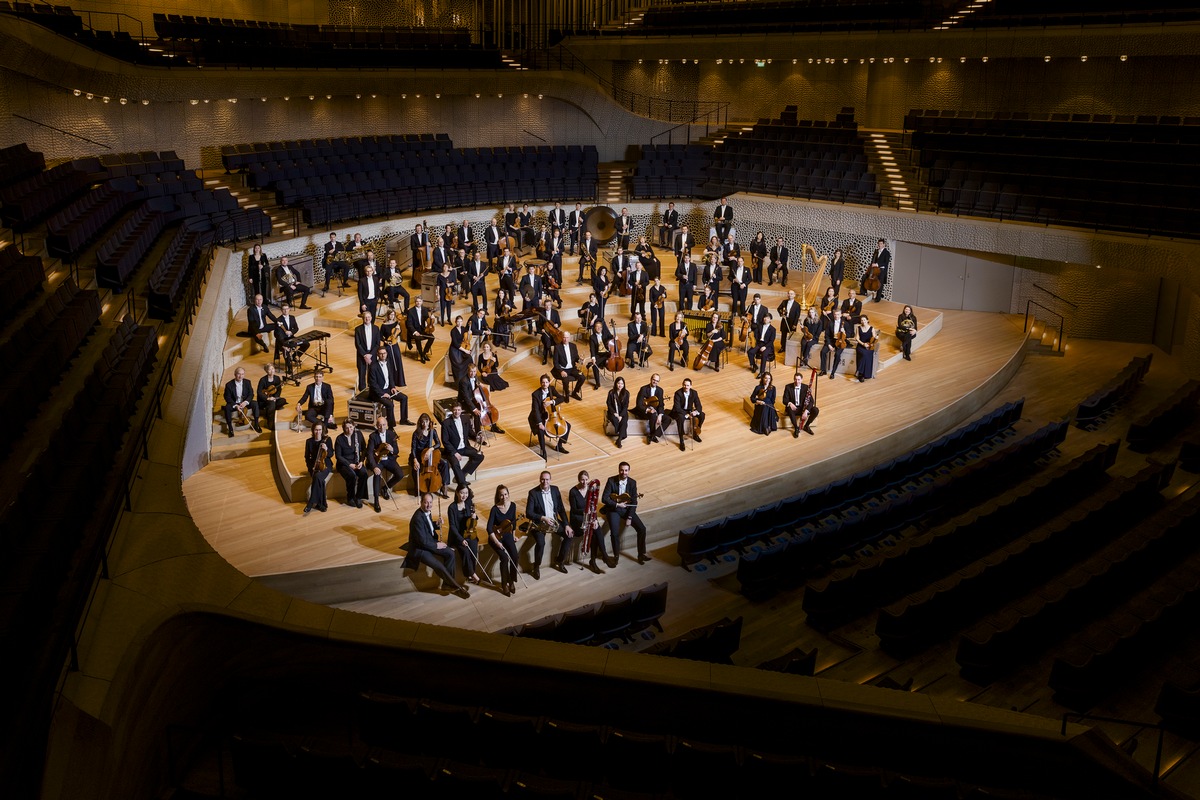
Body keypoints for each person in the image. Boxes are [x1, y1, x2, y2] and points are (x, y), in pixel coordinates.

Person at [408, 492, 469, 598]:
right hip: (420, 548)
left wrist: (436, 524)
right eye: (426, 502)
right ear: (421, 502)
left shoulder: (427, 512)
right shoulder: (417, 518)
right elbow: (422, 541)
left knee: (450, 553)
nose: (428, 505)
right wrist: (437, 545)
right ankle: (456, 587)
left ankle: (447, 585)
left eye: (430, 502)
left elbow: (427, 525)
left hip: (429, 542)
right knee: (439, 566)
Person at [525, 470, 573, 580]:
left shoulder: (555, 490)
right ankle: (536, 566)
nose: (544, 481)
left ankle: (560, 561)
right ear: (539, 479)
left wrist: (566, 524)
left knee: (569, 535)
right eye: (542, 479)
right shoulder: (533, 493)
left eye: (547, 479)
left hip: (553, 521)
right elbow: (529, 513)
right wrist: (543, 518)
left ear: (550, 480)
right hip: (539, 523)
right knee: (541, 543)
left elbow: (561, 509)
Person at [602, 461, 648, 566]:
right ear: (619, 470)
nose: (624, 472)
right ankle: (616, 557)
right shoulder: (611, 480)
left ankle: (641, 554)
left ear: (629, 471)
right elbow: (604, 498)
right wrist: (617, 505)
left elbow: (634, 502)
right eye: (622, 470)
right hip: (614, 509)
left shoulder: (632, 482)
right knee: (614, 533)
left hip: (627, 510)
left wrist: (630, 517)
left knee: (642, 529)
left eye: (626, 470)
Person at [441, 400, 484, 489]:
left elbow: (469, 432)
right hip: (453, 450)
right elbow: (445, 441)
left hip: (464, 447)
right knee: (455, 463)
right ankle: (462, 484)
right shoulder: (446, 423)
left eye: (458, 410)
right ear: (452, 411)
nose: (457, 412)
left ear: (461, 410)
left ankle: (462, 474)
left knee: (479, 456)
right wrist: (454, 453)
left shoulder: (466, 418)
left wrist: (477, 437)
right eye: (455, 410)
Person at [570, 470, 606, 573]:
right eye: (582, 480)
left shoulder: (591, 489)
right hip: (578, 519)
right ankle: (596, 560)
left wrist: (594, 519)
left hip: (589, 518)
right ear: (578, 479)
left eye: (586, 480)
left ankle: (600, 557)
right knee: (594, 533)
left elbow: (594, 506)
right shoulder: (573, 491)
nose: (584, 482)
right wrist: (585, 511)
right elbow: (574, 510)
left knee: (597, 529)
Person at [487, 485, 520, 596]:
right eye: (501, 494)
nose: (504, 497)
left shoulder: (513, 506)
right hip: (495, 537)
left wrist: (514, 535)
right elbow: (489, 528)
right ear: (498, 496)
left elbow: (513, 523)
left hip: (507, 535)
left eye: (505, 494)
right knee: (504, 558)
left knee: (515, 556)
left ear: (508, 494)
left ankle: (511, 581)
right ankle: (504, 584)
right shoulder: (495, 509)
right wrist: (497, 542)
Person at [410, 412, 451, 500]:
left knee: (445, 463)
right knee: (415, 468)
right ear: (420, 422)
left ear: (429, 421)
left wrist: (430, 449)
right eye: (422, 422)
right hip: (418, 456)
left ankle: (444, 486)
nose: (425, 424)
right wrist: (415, 460)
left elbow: (438, 444)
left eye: (426, 421)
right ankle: (417, 488)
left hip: (430, 455)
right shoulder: (416, 433)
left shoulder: (432, 431)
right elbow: (413, 448)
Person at [530, 374, 572, 459]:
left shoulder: (551, 389)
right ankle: (543, 452)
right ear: (540, 383)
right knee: (541, 430)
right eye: (543, 382)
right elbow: (535, 410)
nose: (545, 384)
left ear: (549, 383)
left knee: (568, 425)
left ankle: (559, 446)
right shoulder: (535, 394)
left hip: (551, 415)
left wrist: (552, 402)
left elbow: (561, 398)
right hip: (539, 416)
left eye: (546, 382)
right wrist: (539, 423)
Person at [366, 417, 404, 513]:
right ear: (376, 425)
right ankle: (376, 501)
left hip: (389, 459)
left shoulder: (391, 435)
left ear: (386, 425)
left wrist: (391, 449)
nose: (381, 427)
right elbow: (369, 453)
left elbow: (396, 451)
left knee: (400, 474)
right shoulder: (373, 436)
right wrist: (374, 466)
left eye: (383, 425)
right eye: (379, 425)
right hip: (378, 461)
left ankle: (385, 488)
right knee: (377, 475)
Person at [446, 484, 482, 585]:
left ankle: (470, 575)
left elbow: (474, 520)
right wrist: (461, 539)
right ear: (457, 493)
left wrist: (475, 516)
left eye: (466, 493)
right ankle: (473, 575)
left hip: (469, 533)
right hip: (458, 536)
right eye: (462, 493)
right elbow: (452, 527)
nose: (464, 495)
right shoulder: (452, 508)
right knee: (465, 552)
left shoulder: (469, 503)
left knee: (474, 548)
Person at [369, 346, 412, 429]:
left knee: (404, 398)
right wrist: (382, 394)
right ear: (377, 355)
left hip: (388, 389)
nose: (383, 355)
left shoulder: (388, 363)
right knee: (390, 404)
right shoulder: (373, 367)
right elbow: (373, 384)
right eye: (381, 354)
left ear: (386, 354)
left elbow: (390, 377)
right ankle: (391, 427)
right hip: (377, 393)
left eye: (384, 353)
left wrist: (393, 387)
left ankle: (404, 419)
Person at [459, 362, 505, 435]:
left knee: (488, 409)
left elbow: (480, 385)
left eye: (474, 371)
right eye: (471, 371)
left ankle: (493, 426)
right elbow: (466, 397)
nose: (472, 373)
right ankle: (478, 434)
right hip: (465, 401)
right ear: (468, 371)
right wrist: (474, 409)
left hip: (475, 399)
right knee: (477, 413)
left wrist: (486, 392)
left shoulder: (475, 377)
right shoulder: (463, 381)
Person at [334, 419, 369, 508]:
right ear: (343, 429)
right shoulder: (339, 439)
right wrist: (349, 464)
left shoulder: (358, 434)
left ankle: (359, 497)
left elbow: (364, 449)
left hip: (357, 462)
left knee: (364, 474)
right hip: (344, 464)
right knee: (351, 475)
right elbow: (338, 456)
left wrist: (361, 461)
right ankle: (350, 497)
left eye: (351, 427)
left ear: (354, 426)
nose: (349, 430)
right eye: (347, 428)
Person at [303, 422, 332, 514]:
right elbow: (307, 457)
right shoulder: (309, 442)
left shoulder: (327, 440)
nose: (318, 432)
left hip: (326, 465)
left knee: (318, 477)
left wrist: (327, 449)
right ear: (313, 430)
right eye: (316, 430)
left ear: (322, 430)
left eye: (319, 430)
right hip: (314, 467)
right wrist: (310, 468)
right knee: (319, 480)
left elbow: (331, 454)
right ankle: (322, 504)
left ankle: (311, 502)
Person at [223, 367, 261, 436]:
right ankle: (230, 428)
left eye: (242, 374)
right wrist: (235, 405)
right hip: (235, 403)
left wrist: (246, 402)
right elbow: (227, 397)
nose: (241, 376)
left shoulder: (247, 382)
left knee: (255, 403)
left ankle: (256, 423)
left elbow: (251, 394)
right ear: (235, 374)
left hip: (244, 402)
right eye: (239, 374)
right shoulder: (229, 385)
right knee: (227, 408)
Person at [671, 377, 705, 452]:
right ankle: (681, 440)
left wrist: (696, 411)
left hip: (689, 410)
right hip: (679, 411)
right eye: (684, 385)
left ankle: (695, 432)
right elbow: (677, 408)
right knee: (680, 418)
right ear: (682, 385)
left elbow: (699, 405)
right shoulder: (678, 393)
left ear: (691, 386)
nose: (686, 387)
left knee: (702, 415)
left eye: (687, 385)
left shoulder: (694, 393)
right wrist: (687, 415)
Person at [782, 372, 818, 438]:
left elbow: (811, 401)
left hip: (803, 408)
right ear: (793, 379)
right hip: (794, 408)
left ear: (801, 380)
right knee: (789, 409)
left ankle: (806, 426)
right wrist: (790, 403)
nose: (797, 381)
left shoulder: (806, 387)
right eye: (795, 379)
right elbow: (784, 400)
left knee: (815, 410)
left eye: (798, 379)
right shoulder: (788, 387)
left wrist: (806, 411)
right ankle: (796, 428)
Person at [635, 373, 666, 443]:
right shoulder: (643, 389)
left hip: (655, 410)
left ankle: (653, 435)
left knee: (667, 420)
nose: (655, 382)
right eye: (654, 380)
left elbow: (661, 404)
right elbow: (639, 404)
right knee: (653, 415)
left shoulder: (660, 390)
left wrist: (660, 415)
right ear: (651, 379)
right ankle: (652, 435)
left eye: (657, 381)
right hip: (644, 411)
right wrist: (648, 410)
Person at [553, 336, 587, 400]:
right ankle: (567, 394)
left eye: (567, 337)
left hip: (572, 368)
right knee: (565, 380)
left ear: (569, 338)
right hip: (563, 369)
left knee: (582, 377)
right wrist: (561, 371)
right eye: (564, 337)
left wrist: (580, 360)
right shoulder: (557, 347)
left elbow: (576, 358)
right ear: (562, 338)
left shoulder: (573, 346)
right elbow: (555, 362)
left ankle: (574, 392)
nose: (565, 339)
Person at [353, 310, 380, 391]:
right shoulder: (358, 329)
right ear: (363, 319)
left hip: (372, 354)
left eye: (368, 317)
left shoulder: (376, 328)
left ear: (371, 318)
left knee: (372, 373)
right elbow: (358, 344)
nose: (367, 319)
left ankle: (372, 390)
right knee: (362, 373)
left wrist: (370, 355)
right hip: (362, 355)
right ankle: (362, 391)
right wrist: (365, 355)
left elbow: (377, 344)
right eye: (365, 317)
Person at [256, 363, 287, 430]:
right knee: (272, 404)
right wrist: (268, 398)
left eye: (272, 368)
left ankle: (268, 410)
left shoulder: (277, 378)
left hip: (273, 399)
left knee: (283, 400)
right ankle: (270, 423)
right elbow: (259, 392)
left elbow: (278, 391)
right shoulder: (263, 380)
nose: (272, 371)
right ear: (266, 371)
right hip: (265, 400)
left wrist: (275, 398)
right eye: (269, 369)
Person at [820, 309, 848, 379]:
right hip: (831, 341)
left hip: (841, 341)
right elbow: (827, 335)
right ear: (833, 315)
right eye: (835, 314)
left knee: (838, 354)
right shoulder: (830, 322)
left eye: (838, 314)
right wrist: (829, 345)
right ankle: (823, 370)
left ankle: (833, 372)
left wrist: (844, 332)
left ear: (841, 315)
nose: (836, 316)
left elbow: (851, 333)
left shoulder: (845, 323)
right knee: (823, 352)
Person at [748, 312, 777, 378]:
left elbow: (771, 341)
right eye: (764, 317)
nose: (765, 319)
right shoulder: (760, 326)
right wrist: (750, 331)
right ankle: (753, 365)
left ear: (770, 320)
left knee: (764, 355)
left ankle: (761, 372)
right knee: (750, 352)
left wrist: (765, 347)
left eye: (767, 318)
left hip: (767, 345)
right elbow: (755, 334)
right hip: (759, 343)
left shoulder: (773, 329)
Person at [406, 297, 434, 363]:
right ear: (415, 302)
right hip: (414, 330)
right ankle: (421, 355)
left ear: (422, 302)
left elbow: (427, 320)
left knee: (432, 337)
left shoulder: (424, 310)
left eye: (420, 301)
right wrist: (415, 332)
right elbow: (409, 324)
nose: (418, 303)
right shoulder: (410, 311)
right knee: (418, 339)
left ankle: (423, 353)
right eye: (417, 301)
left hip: (422, 329)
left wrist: (431, 318)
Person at [606, 375, 630, 448]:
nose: (620, 385)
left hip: (622, 412)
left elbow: (626, 406)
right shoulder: (611, 393)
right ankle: (622, 435)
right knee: (614, 419)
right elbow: (608, 404)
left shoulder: (626, 393)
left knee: (624, 421)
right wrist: (615, 414)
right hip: (613, 411)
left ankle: (619, 439)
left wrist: (621, 415)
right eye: (619, 383)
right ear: (616, 383)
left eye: (622, 384)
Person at [855, 314, 878, 382]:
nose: (863, 321)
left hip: (869, 346)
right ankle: (861, 374)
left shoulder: (872, 328)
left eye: (864, 320)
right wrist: (863, 344)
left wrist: (876, 338)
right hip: (861, 346)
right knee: (864, 354)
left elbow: (873, 339)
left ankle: (861, 372)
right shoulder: (858, 328)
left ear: (867, 320)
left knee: (867, 354)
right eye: (862, 320)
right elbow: (857, 338)